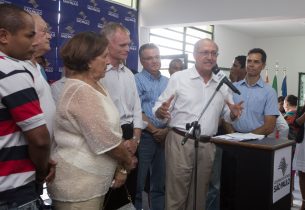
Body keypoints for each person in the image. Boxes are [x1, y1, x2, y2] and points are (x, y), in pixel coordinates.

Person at [47, 32, 137, 210]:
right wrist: (127, 162)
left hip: (91, 181)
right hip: (78, 186)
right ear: (88, 61)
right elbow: (106, 141)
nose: (109, 62)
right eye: (104, 57)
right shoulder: (81, 91)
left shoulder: (94, 84)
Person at [153, 38, 243, 210]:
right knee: (176, 196)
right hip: (181, 141)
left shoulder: (222, 83)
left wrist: (233, 113)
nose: (210, 57)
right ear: (195, 55)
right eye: (205, 52)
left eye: (213, 53)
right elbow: (159, 107)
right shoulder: (179, 78)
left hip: (208, 145)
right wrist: (161, 111)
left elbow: (227, 114)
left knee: (199, 197)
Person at [0, 4, 52, 209]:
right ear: (4, 36)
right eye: (29, 36)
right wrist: (41, 169)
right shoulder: (12, 70)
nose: (34, 43)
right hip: (14, 192)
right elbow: (39, 139)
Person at [100, 22, 142, 209]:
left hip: (131, 134)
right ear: (107, 44)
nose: (128, 49)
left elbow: (137, 110)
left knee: (130, 190)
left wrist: (135, 140)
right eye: (122, 45)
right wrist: (119, 143)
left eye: (129, 44)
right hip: (108, 137)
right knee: (110, 191)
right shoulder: (98, 74)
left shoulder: (129, 74)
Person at [135, 43, 169, 210]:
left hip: (165, 137)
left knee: (160, 184)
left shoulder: (169, 82)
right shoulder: (136, 80)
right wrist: (155, 131)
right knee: (139, 184)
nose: (155, 61)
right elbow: (136, 111)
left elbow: (176, 110)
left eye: (157, 57)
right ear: (142, 61)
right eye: (149, 58)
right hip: (145, 137)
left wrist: (165, 131)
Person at [232, 48, 278, 135]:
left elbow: (269, 126)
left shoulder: (269, 92)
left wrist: (245, 138)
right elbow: (225, 117)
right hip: (232, 140)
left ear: (263, 65)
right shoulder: (233, 87)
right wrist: (231, 134)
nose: (251, 65)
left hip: (257, 142)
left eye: (256, 62)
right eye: (249, 61)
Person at [293, 105, 305, 210]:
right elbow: (296, 124)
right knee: (302, 174)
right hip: (303, 144)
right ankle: (304, 201)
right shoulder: (301, 109)